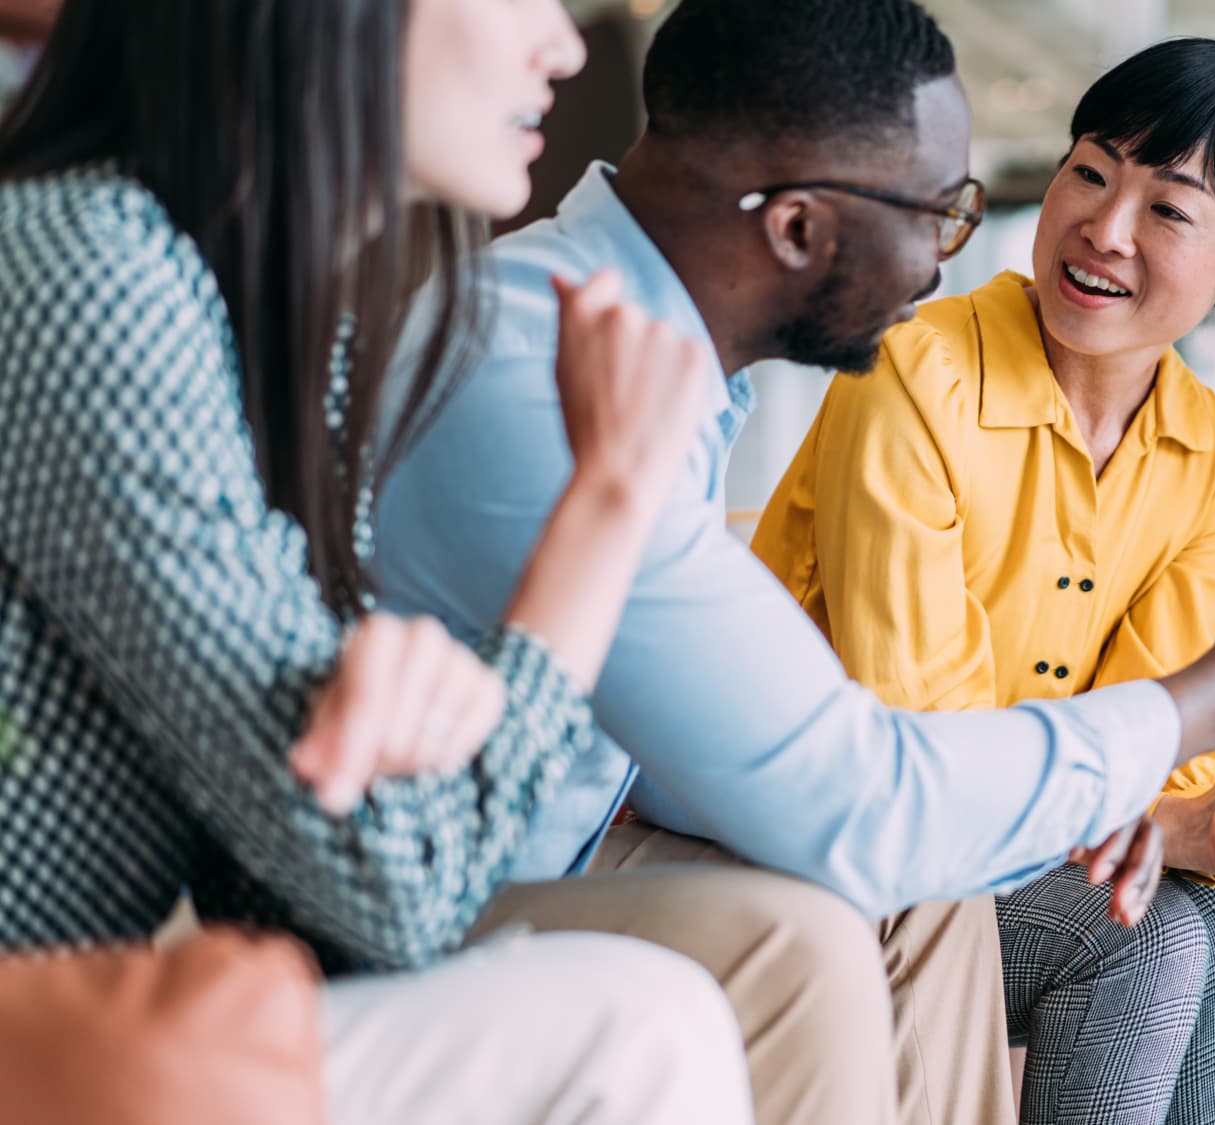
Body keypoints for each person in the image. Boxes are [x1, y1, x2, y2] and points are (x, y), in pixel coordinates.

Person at [366, 1, 1215, 1122]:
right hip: (469, 885)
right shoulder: (562, 364)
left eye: (1168, 209)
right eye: (940, 213)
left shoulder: (642, 362)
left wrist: (1197, 799)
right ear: (797, 227)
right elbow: (877, 787)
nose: (943, 266)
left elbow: (725, 750)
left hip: (617, 834)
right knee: (1000, 911)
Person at [0, 0, 752, 1120]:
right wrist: (605, 510)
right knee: (638, 1027)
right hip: (61, 1040)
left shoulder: (278, 331)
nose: (562, 44)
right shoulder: (91, 272)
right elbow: (406, 894)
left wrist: (413, 717)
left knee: (747, 956)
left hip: (86, 1028)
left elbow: (323, 898)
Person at [751, 38, 1215, 1125]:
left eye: (1169, 209)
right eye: (1092, 171)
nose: (1104, 230)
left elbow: (1156, 717)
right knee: (1140, 932)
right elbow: (925, 735)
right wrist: (1171, 822)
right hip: (847, 845)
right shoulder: (911, 370)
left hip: (1013, 848)